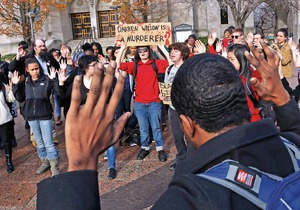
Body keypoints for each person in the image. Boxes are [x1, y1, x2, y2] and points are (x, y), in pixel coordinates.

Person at [36, 40, 300, 209]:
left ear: (187, 126)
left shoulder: (189, 200)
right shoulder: (293, 148)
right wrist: (282, 98)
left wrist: (79, 165)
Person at [116, 43, 171, 161]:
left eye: (144, 50)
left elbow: (169, 63)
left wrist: (159, 48)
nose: (142, 52)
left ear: (148, 51)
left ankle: (160, 149)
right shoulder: (135, 65)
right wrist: (123, 49)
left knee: (156, 127)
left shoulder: (155, 63)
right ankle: (145, 148)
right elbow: (117, 64)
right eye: (140, 50)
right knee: (143, 127)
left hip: (154, 102)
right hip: (139, 103)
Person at [12, 58, 60, 176]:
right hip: (32, 118)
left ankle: (54, 167)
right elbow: (20, 98)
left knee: (49, 142)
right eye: (32, 69)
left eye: (37, 68)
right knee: (39, 142)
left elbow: (58, 92)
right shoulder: (25, 83)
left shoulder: (47, 80)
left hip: (45, 116)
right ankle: (45, 162)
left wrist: (55, 80)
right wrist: (15, 85)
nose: (35, 71)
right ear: (27, 70)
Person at [163, 42, 190, 171]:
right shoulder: (169, 69)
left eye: (176, 50)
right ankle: (181, 160)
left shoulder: (187, 68)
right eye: (171, 50)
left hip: (186, 108)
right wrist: (163, 94)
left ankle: (192, 160)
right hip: (173, 108)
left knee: (190, 136)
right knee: (177, 137)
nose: (172, 53)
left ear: (183, 53)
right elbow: (166, 86)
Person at [227, 44, 262, 122]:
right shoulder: (230, 76)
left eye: (232, 59)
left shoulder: (252, 77)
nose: (228, 62)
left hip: (252, 120)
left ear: (242, 60)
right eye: (227, 58)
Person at [0, 80, 15, 173]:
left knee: (6, 141)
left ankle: (9, 162)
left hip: (4, 119)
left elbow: (10, 99)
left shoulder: (2, 86)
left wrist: (12, 90)